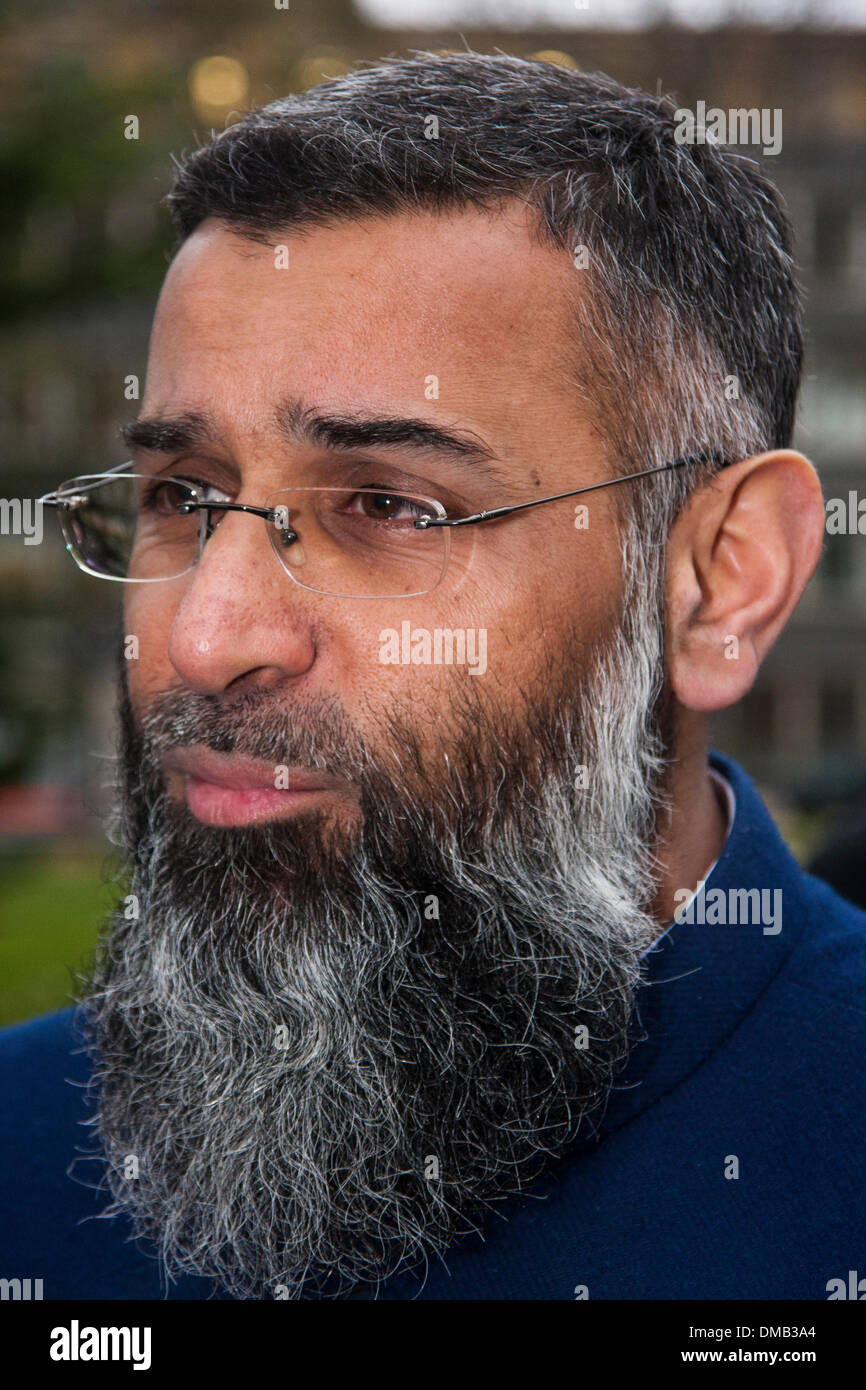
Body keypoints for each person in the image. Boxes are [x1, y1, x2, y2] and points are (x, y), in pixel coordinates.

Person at [2, 52, 863, 1301]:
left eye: (389, 506)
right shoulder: (27, 1166)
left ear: (719, 580)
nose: (205, 634)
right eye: (182, 497)